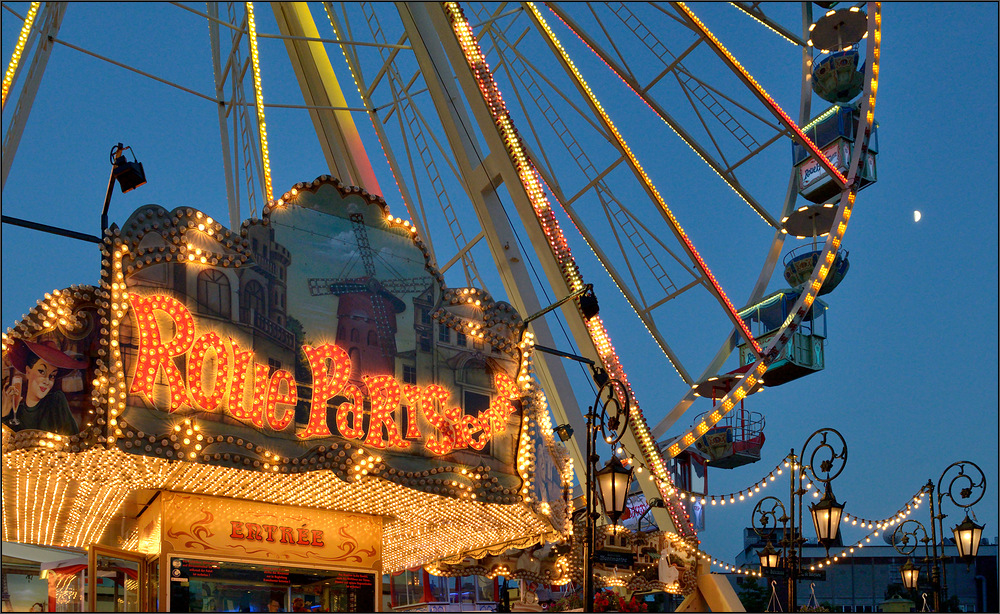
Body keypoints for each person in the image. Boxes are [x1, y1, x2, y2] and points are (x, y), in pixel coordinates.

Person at [1, 339, 86, 436]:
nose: (47, 381)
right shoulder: (15, 413)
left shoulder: (56, 400)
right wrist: (4, 416)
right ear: (28, 371)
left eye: (52, 376)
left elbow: (72, 440)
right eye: (41, 371)